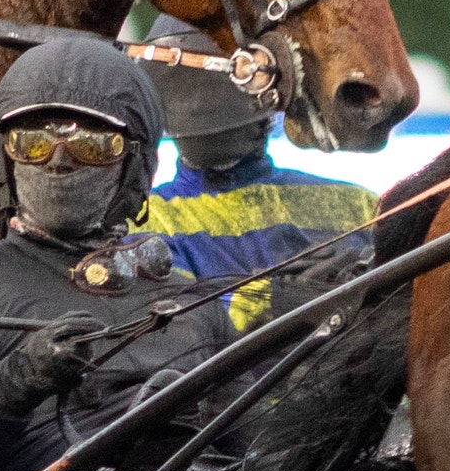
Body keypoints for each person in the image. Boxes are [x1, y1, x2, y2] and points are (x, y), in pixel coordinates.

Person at [0, 38, 236, 471]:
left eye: (93, 144)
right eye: (31, 142)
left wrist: (330, 321)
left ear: (134, 165)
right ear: (4, 159)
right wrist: (14, 381)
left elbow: (253, 448)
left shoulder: (190, 299)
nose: (58, 160)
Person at [138, 34, 377, 326]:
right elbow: (178, 328)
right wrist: (269, 299)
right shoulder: (148, 220)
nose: (256, 118)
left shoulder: (360, 205)